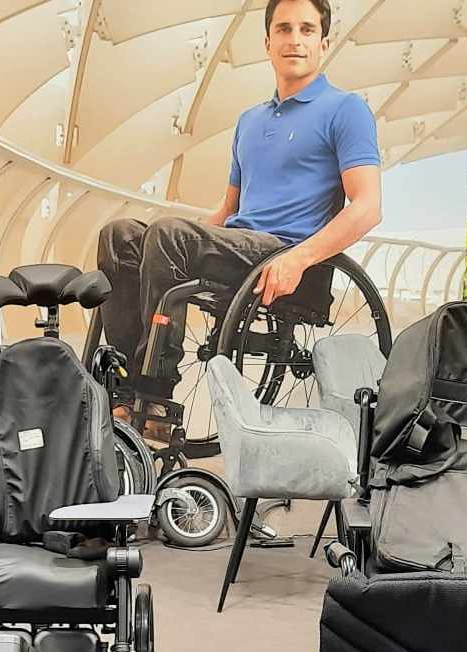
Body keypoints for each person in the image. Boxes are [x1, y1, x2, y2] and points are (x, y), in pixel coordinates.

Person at [94, 0, 382, 424]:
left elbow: (368, 207)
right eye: (284, 29)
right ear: (267, 43)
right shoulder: (249, 121)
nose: (295, 40)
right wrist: (164, 239)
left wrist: (298, 259)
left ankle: (153, 395)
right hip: (237, 245)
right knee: (119, 235)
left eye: (307, 30)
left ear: (324, 43)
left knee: (170, 235)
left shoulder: (346, 110)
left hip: (284, 252)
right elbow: (229, 210)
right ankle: (122, 388)